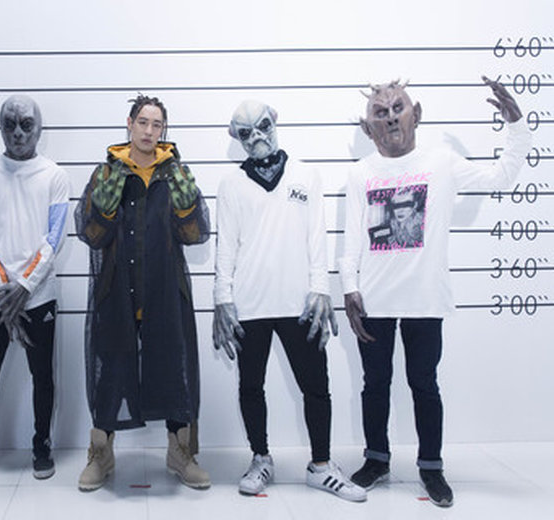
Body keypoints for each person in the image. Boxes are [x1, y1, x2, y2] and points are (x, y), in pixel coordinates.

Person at [339, 77, 530, 507]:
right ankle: (376, 460)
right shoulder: (360, 173)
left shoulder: (442, 162)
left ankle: (431, 467)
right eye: (380, 113)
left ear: (417, 114)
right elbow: (351, 239)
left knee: (424, 384)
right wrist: (349, 288)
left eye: (398, 108)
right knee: (375, 384)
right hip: (374, 300)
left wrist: (516, 125)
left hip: (425, 298)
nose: (391, 117)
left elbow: (501, 177)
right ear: (368, 128)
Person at [213, 100, 365, 501]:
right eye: (245, 132)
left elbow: (317, 237)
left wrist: (321, 288)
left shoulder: (306, 175)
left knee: (316, 386)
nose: (256, 137)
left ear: (275, 121)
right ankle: (260, 458)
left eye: (262, 126)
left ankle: (321, 465)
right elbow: (226, 246)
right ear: (236, 138)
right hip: (249, 304)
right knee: (251, 385)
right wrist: (222, 299)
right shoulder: (230, 185)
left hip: (300, 303)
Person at [74, 94, 211, 491]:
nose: (150, 131)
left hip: (165, 290)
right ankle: (101, 454)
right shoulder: (107, 172)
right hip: (116, 290)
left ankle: (180, 453)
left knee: (174, 370)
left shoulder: (174, 172)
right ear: (130, 124)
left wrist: (186, 206)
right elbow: (91, 234)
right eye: (143, 122)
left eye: (157, 124)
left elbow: (194, 234)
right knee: (109, 372)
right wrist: (103, 207)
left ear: (163, 130)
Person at [0, 95, 69, 481]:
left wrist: (23, 286)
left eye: (26, 124)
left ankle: (42, 445)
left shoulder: (55, 176)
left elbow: (54, 238)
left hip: (38, 297)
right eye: (10, 124)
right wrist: (1, 288)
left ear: (39, 128)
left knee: (43, 376)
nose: (18, 132)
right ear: (0, 127)